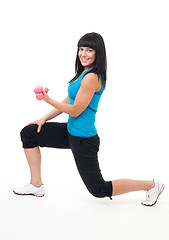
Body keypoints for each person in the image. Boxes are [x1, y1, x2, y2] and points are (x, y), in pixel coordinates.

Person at [13, 32, 164, 206]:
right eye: (81, 49)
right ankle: (36, 185)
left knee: (99, 189)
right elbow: (71, 100)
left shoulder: (92, 77)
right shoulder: (84, 73)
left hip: (84, 140)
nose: (83, 54)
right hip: (70, 132)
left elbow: (76, 110)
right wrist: (43, 118)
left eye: (89, 50)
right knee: (29, 133)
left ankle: (152, 185)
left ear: (98, 53)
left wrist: (47, 99)